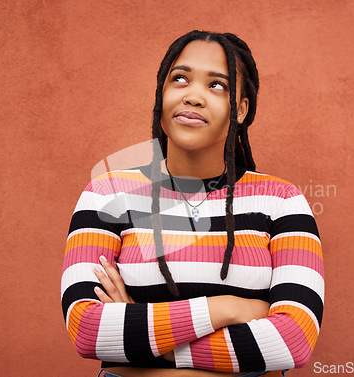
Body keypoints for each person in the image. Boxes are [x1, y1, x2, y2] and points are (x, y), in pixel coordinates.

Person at [61, 30, 324, 377]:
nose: (193, 96)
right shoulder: (108, 193)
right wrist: (228, 307)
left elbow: (293, 342)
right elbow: (87, 330)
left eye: (217, 85)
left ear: (241, 109)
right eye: (180, 79)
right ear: (162, 93)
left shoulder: (282, 201)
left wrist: (145, 338)